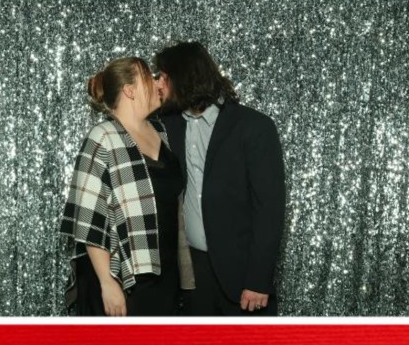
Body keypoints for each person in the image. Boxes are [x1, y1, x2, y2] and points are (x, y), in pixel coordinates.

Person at [154, 41, 284, 316]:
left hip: (243, 275)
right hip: (192, 276)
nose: (157, 84)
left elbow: (269, 209)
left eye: (163, 77)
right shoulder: (168, 125)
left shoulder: (254, 127)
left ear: (183, 77)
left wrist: (258, 279)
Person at [63, 56, 189, 317]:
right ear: (130, 90)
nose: (158, 83)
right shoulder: (103, 137)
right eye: (149, 78)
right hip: (123, 278)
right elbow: (88, 220)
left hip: (164, 274)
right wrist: (108, 284)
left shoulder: (161, 131)